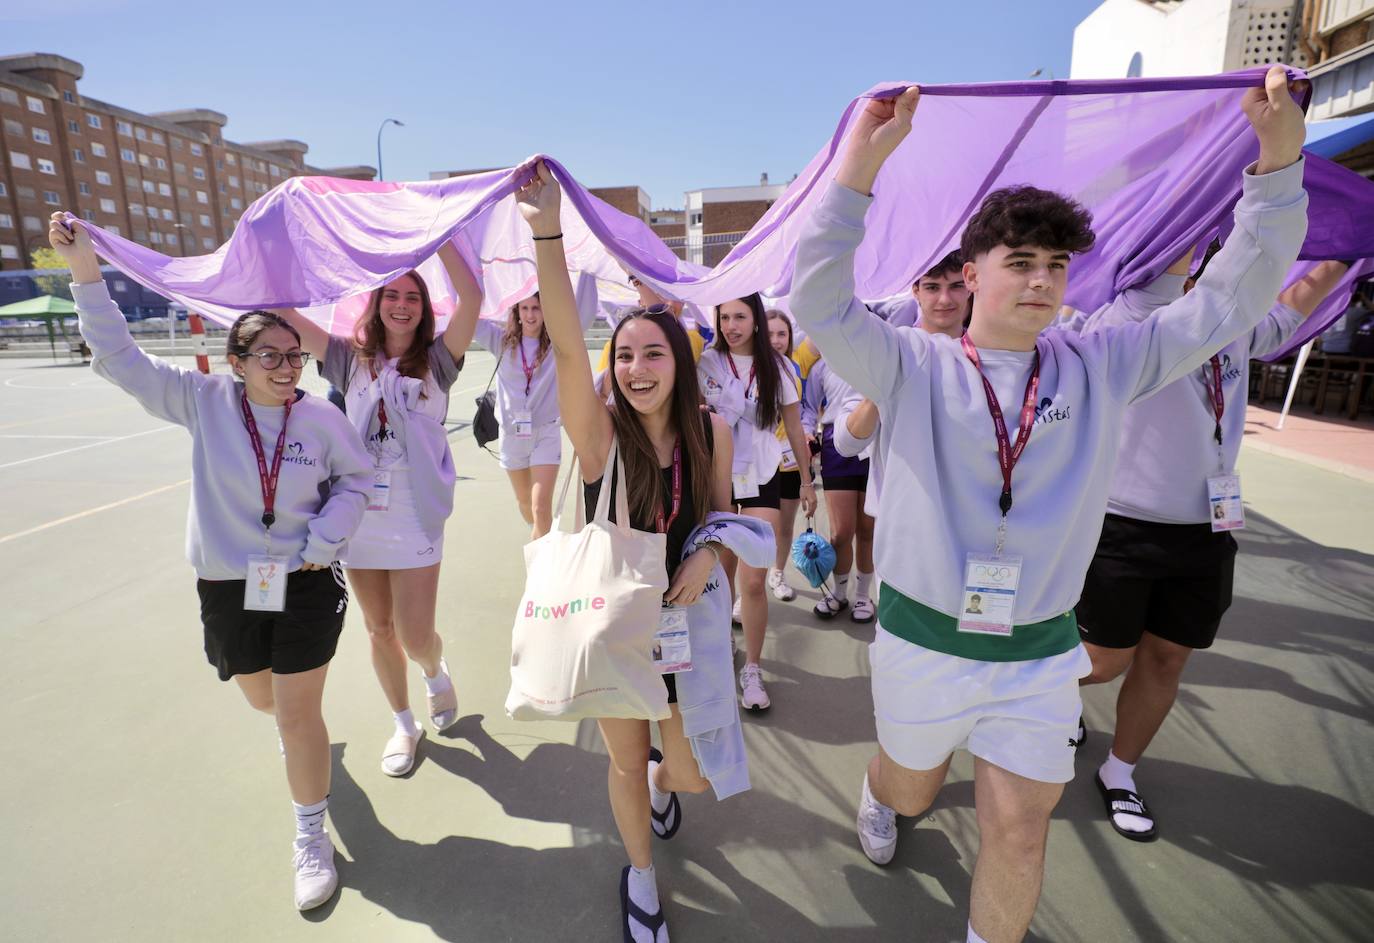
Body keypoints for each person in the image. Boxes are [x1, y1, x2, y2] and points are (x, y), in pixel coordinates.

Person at [788, 69, 1307, 943]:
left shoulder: (1100, 363)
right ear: (973, 271)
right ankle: (884, 788)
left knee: (1022, 830)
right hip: (923, 642)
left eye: (1055, 265)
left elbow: (1225, 304)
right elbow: (818, 302)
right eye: (1019, 262)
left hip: (1039, 655)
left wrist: (1279, 164)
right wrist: (858, 170)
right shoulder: (911, 363)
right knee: (915, 788)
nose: (1039, 281)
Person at [49, 213, 373, 911]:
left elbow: (357, 479)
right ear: (237, 360)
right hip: (231, 583)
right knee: (259, 695)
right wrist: (84, 270)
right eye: (271, 356)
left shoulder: (320, 418)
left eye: (295, 355)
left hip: (310, 581)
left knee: (295, 714)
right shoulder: (202, 401)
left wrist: (325, 540)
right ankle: (308, 754)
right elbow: (119, 359)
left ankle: (310, 832)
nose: (288, 367)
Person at [518, 159, 742, 943]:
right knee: (621, 758)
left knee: (688, 773)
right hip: (613, 622)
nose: (638, 368)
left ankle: (659, 786)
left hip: (681, 627)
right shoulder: (598, 435)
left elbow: (720, 512)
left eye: (655, 353)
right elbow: (567, 345)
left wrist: (708, 556)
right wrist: (547, 228)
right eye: (627, 355)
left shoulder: (712, 428)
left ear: (680, 362)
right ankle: (640, 872)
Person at [1072, 256, 1350, 841]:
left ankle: (1120, 772)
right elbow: (1171, 259)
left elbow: (1296, 301)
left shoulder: (1234, 322)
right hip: (1121, 525)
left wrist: (1345, 248)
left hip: (1209, 528)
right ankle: (1040, 701)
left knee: (1168, 657)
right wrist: (1207, 187)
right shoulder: (1134, 314)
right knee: (1102, 661)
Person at [276, 242, 483, 778]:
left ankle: (434, 670)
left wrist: (440, 237)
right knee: (378, 628)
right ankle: (404, 724)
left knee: (416, 636)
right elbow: (285, 314)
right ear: (376, 302)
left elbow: (473, 296)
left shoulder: (439, 360)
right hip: (360, 512)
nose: (401, 304)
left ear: (423, 306)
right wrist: (280, 252)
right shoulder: (348, 359)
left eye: (412, 295)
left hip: (415, 514)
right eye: (391, 294)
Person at [699, 293, 818, 710]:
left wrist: (806, 480)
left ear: (755, 320)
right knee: (721, 575)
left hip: (763, 476)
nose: (731, 325)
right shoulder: (707, 363)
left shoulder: (781, 366)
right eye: (724, 315)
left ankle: (752, 668)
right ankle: (717, 653)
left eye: (740, 316)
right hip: (716, 476)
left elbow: (793, 426)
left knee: (753, 580)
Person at [471, 290, 596, 539]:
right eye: (525, 308)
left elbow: (583, 312)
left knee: (540, 506)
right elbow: (469, 317)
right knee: (526, 503)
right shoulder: (502, 342)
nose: (530, 315)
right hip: (512, 435)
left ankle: (541, 566)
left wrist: (587, 267)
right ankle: (539, 535)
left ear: (545, 311)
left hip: (545, 433)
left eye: (536, 308)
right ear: (516, 312)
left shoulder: (556, 344)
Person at [803, 355, 875, 622]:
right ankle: (839, 593)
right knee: (841, 532)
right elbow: (809, 406)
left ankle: (864, 596)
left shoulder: (879, 356)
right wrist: (808, 430)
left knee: (868, 529)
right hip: (836, 444)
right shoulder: (822, 365)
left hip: (875, 442)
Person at [765, 309, 808, 601]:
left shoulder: (794, 369)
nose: (776, 340)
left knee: (784, 525)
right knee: (758, 527)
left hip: (790, 461)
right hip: (759, 463)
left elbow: (798, 415)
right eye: (769, 334)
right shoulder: (751, 370)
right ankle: (746, 589)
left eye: (782, 334)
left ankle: (777, 574)